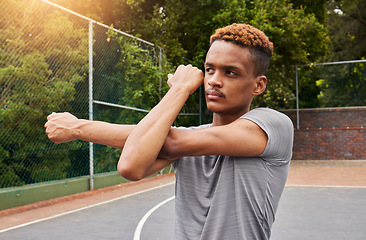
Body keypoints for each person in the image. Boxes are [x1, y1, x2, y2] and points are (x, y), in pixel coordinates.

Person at [45, 23, 294, 240]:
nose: (213, 80)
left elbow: (164, 144)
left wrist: (179, 89)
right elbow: (133, 166)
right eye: (209, 69)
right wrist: (76, 127)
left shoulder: (272, 125)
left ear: (258, 85)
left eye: (230, 72)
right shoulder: (189, 136)